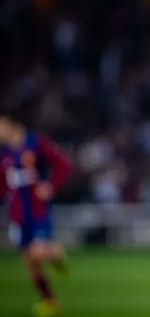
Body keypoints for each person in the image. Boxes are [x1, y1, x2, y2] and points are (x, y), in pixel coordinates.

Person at [0, 111, 72, 317]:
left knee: (37, 252)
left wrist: (51, 186)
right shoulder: (4, 155)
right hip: (18, 216)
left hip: (38, 211)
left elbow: (64, 163)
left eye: (1, 126)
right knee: (31, 263)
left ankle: (56, 254)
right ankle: (50, 301)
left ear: (13, 125)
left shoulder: (35, 144)